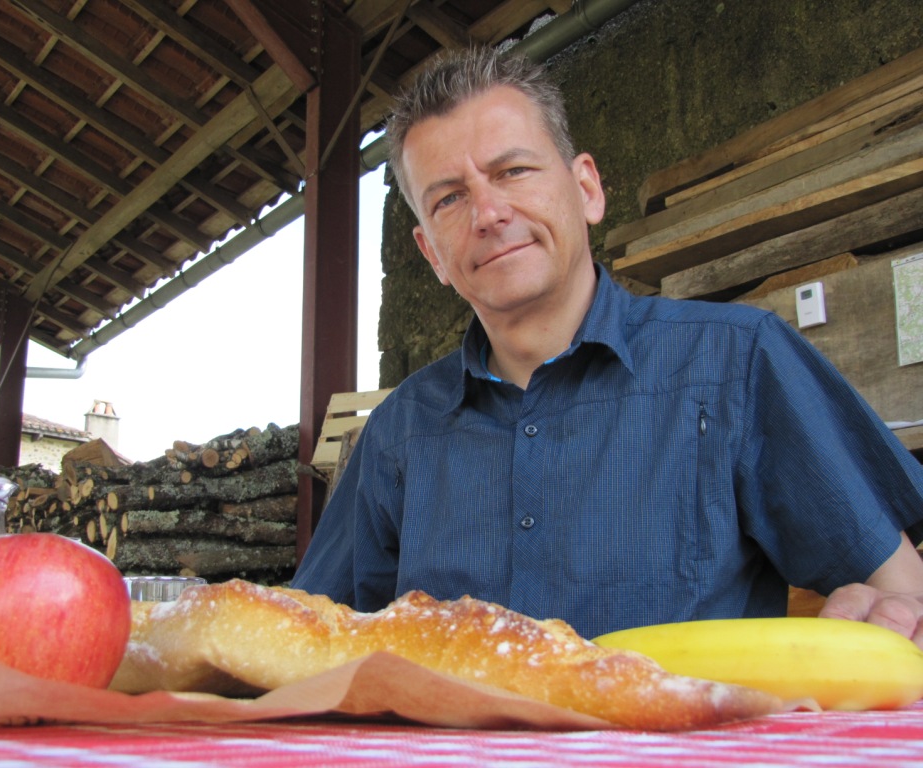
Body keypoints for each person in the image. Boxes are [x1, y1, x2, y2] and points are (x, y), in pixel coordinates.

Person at [291, 46, 923, 646]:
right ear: (431, 252)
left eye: (513, 171)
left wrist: (885, 617)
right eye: (449, 198)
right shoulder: (399, 434)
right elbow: (307, 641)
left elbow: (899, 591)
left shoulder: (737, 363)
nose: (488, 213)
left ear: (587, 189)